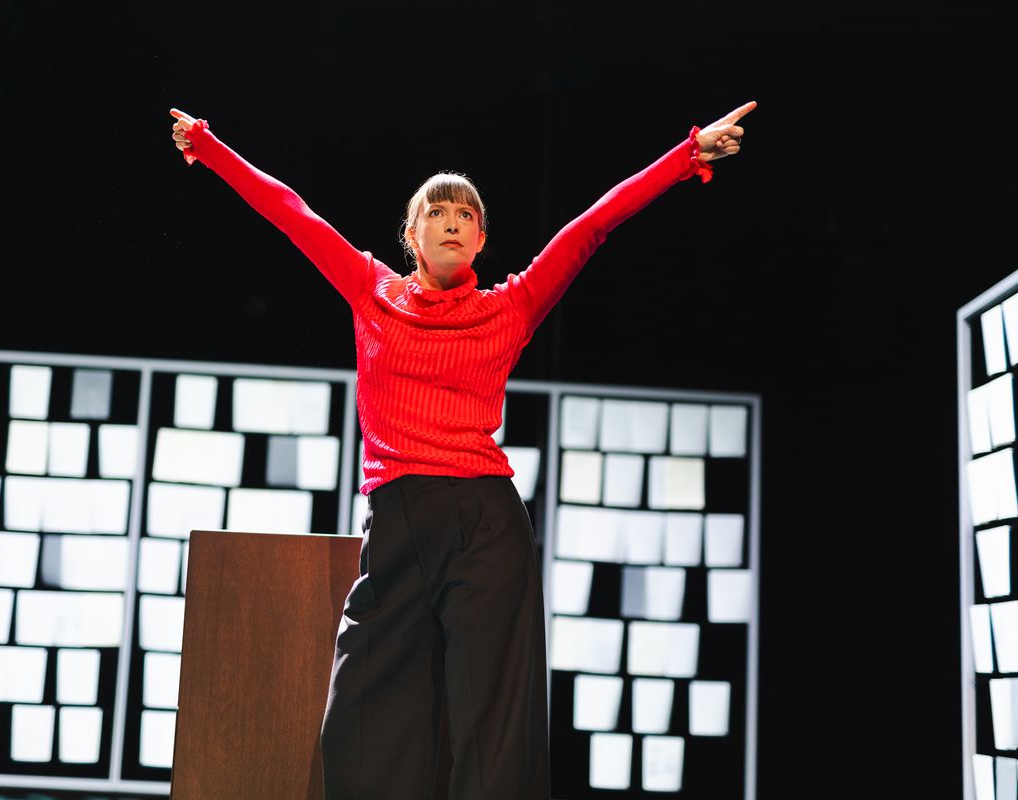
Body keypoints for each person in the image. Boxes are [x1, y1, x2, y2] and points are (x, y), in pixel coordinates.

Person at [170, 100, 754, 800]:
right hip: (398, 521)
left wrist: (686, 157)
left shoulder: (510, 306)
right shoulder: (371, 290)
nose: (452, 221)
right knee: (359, 717)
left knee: (489, 719)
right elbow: (292, 213)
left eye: (466, 214)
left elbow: (592, 225)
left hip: (485, 523)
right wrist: (208, 147)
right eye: (437, 211)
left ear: (480, 240)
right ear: (411, 234)